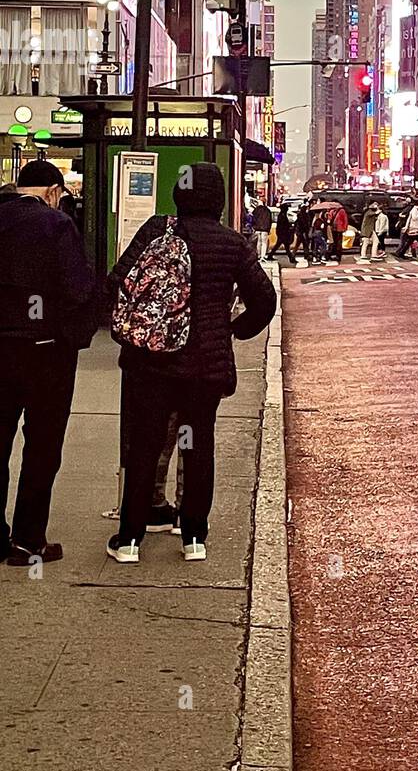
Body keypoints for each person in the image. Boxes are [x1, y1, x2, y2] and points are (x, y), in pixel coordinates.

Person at [107, 162, 276, 564]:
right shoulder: (233, 244)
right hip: (205, 366)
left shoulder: (155, 231)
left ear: (178, 195)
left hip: (151, 362)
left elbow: (117, 281)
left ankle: (130, 539)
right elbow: (264, 301)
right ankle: (193, 536)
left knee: (145, 444)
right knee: (197, 444)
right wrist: (232, 329)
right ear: (218, 198)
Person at [0, 160, 99, 564]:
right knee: (42, 447)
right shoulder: (56, 226)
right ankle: (28, 541)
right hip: (45, 351)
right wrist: (75, 336)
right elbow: (78, 289)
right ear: (54, 192)